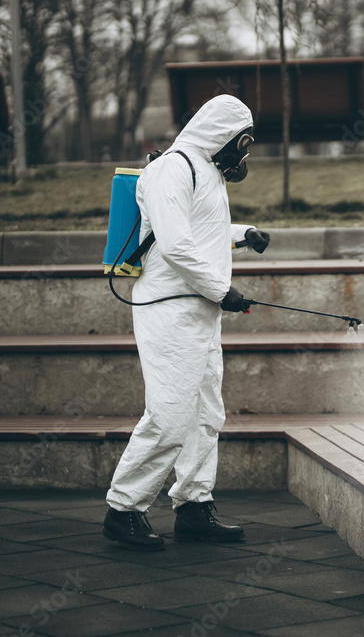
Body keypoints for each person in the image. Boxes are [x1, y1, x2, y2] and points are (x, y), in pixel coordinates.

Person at [103, 94, 270, 551]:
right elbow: (176, 245)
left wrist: (243, 235)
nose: (244, 152)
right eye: (242, 141)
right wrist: (224, 291)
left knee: (203, 414)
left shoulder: (207, 172)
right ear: (221, 134)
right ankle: (124, 510)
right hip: (170, 308)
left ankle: (194, 507)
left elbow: (201, 233)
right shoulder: (173, 168)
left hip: (199, 311)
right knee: (170, 415)